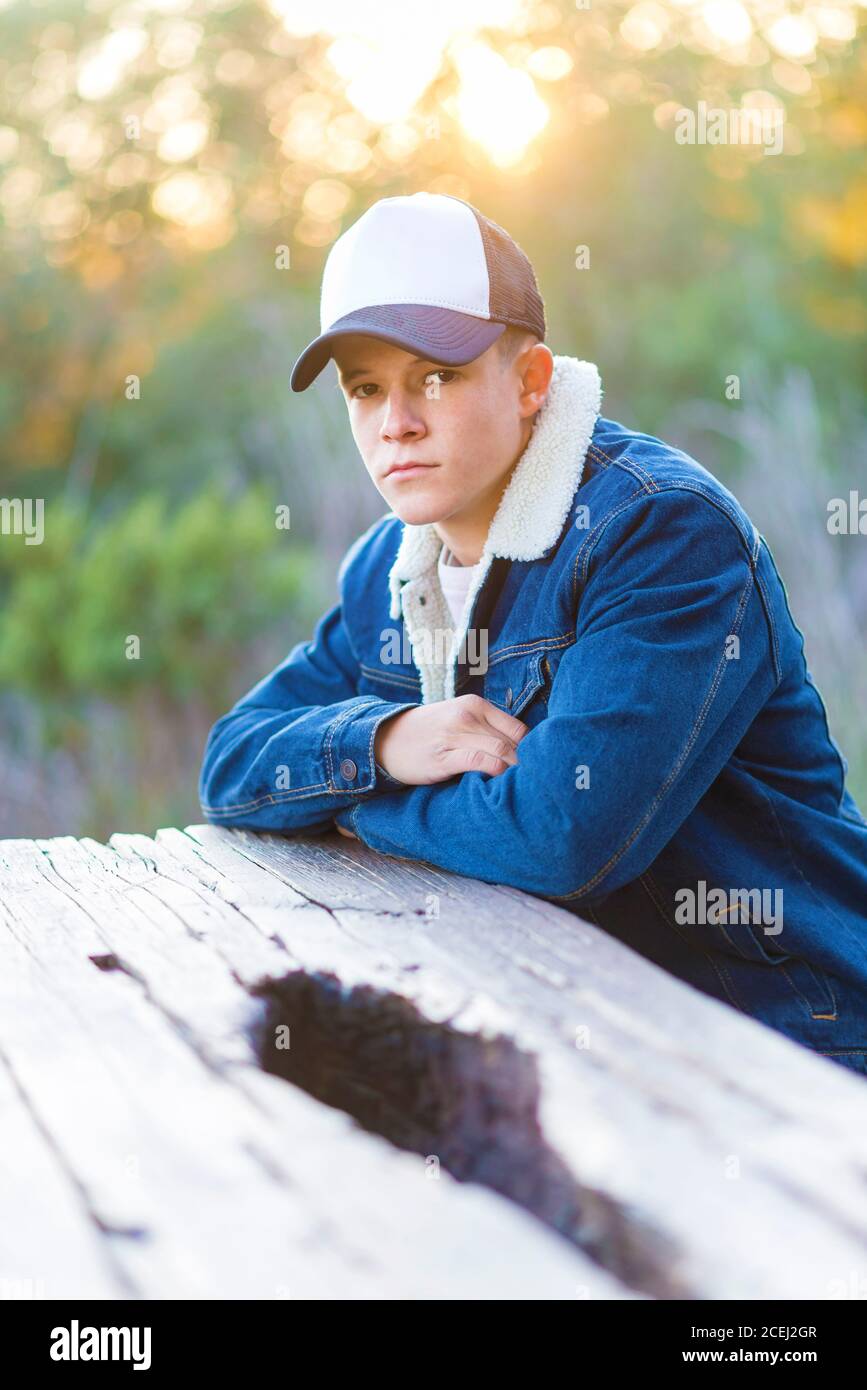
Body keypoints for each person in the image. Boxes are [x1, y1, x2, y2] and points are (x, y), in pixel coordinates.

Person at [199, 191, 867, 1077]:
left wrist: (355, 807)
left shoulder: (659, 531)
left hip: (790, 1038)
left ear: (531, 381)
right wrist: (392, 740)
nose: (395, 421)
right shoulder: (390, 567)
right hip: (571, 1030)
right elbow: (231, 765)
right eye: (365, 388)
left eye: (432, 377)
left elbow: (562, 839)